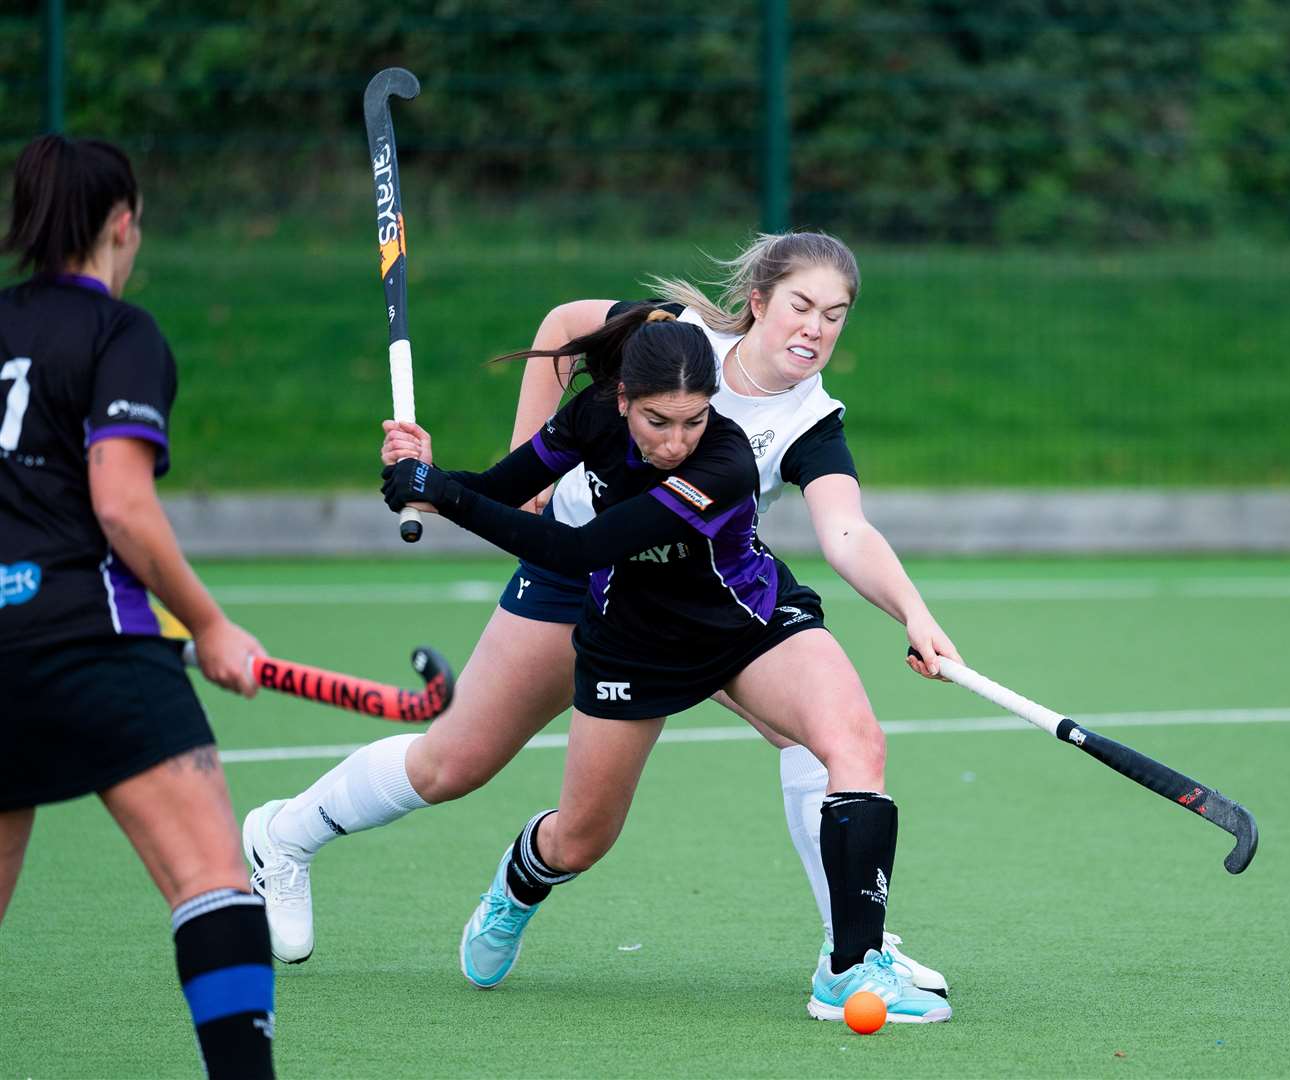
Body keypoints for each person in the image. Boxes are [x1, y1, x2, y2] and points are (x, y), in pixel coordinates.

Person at [242, 232, 959, 1011]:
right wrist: (481, 474)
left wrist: (913, 614)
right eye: (801, 305)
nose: (815, 329)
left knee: (828, 737)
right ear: (757, 301)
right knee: (459, 768)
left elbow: (846, 531)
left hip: (704, 600)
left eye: (835, 315)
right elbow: (559, 330)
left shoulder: (810, 420)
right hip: (573, 580)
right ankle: (284, 836)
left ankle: (851, 952)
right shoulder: (668, 337)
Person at [0, 134, 276, 1077]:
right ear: (123, 223)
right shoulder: (121, 333)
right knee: (213, 884)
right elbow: (120, 503)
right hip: (90, 637)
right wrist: (207, 624)